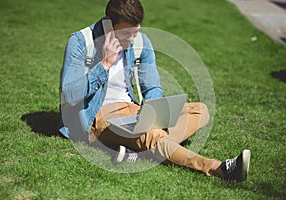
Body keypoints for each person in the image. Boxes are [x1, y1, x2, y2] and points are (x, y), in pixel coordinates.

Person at [59, 0, 251, 182]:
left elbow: (152, 87)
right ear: (109, 25)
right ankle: (219, 168)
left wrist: (152, 113)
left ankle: (141, 151)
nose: (132, 39)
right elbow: (70, 95)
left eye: (136, 32)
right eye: (126, 34)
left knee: (200, 111)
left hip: (130, 111)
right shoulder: (81, 41)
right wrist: (105, 64)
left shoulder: (141, 42)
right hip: (98, 116)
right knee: (154, 136)